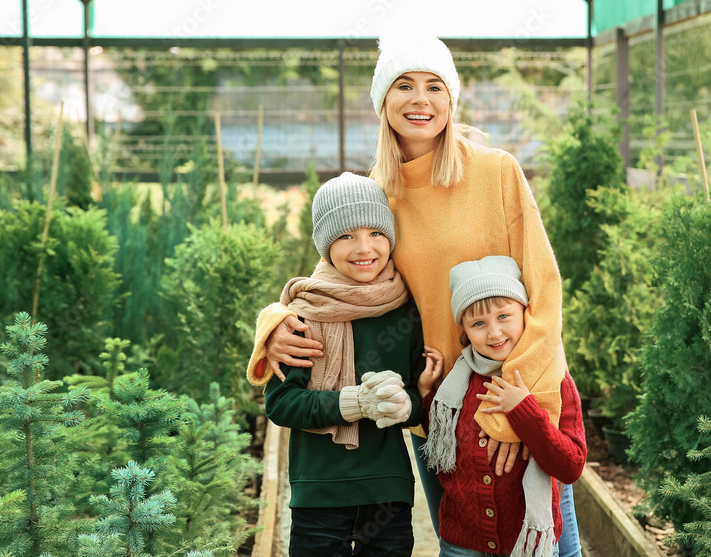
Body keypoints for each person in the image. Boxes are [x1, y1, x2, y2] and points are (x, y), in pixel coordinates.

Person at [248, 34, 582, 556]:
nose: (420, 99)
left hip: (516, 394)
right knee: (465, 546)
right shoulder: (379, 195)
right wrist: (274, 322)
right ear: (384, 101)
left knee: (548, 546)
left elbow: (545, 287)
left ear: (452, 99)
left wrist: (521, 408)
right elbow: (333, 280)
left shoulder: (496, 172)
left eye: (434, 86)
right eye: (404, 85)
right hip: (440, 412)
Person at [256, 172, 427, 557]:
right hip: (319, 495)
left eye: (376, 233)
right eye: (346, 235)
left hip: (388, 491)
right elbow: (281, 403)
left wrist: (405, 404)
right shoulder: (302, 317)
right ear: (325, 244)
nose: (364, 247)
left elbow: (420, 397)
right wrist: (351, 403)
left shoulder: (406, 311)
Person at [418, 255, 586, 557]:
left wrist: (524, 410)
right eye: (478, 323)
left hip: (524, 544)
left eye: (504, 316)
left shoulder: (553, 382)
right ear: (465, 331)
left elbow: (571, 465)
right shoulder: (458, 381)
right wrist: (427, 392)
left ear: (525, 315)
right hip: (462, 544)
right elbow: (442, 444)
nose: (494, 333)